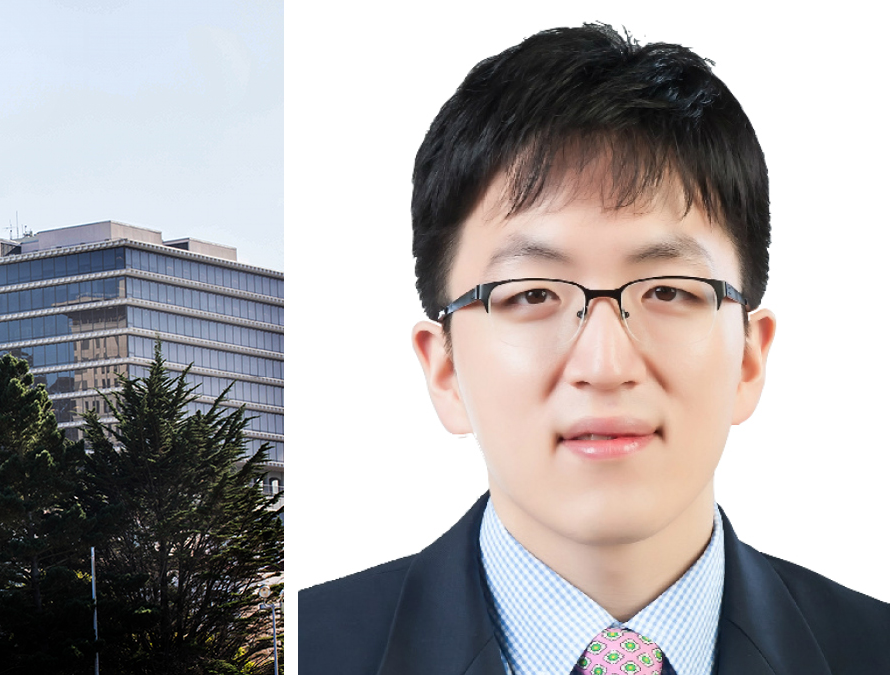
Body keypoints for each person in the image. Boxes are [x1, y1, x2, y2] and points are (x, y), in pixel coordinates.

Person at [299, 24, 890, 674]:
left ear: (750, 354)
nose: (605, 365)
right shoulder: (313, 646)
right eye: (531, 295)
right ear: (444, 368)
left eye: (667, 289)